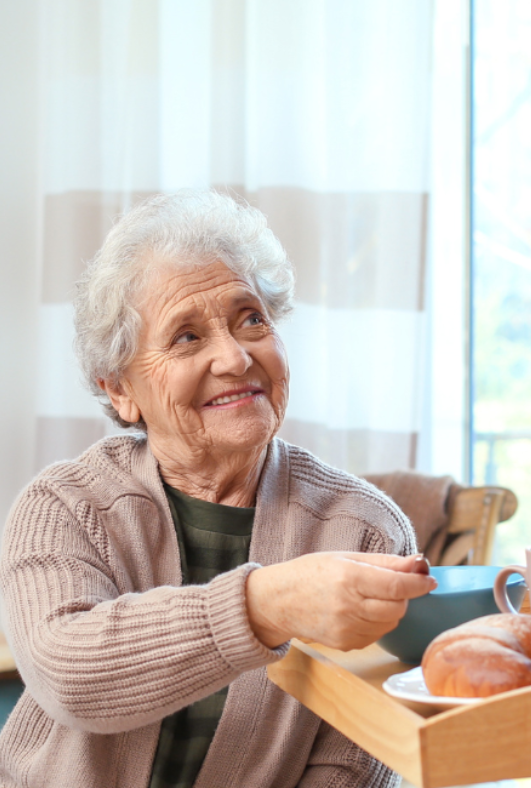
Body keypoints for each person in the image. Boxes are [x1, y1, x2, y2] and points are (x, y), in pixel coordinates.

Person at [0, 190, 437, 788]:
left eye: (251, 318)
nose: (235, 358)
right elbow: (71, 675)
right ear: (122, 389)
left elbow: (357, 754)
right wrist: (265, 604)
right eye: (186, 337)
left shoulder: (362, 527)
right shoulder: (64, 508)